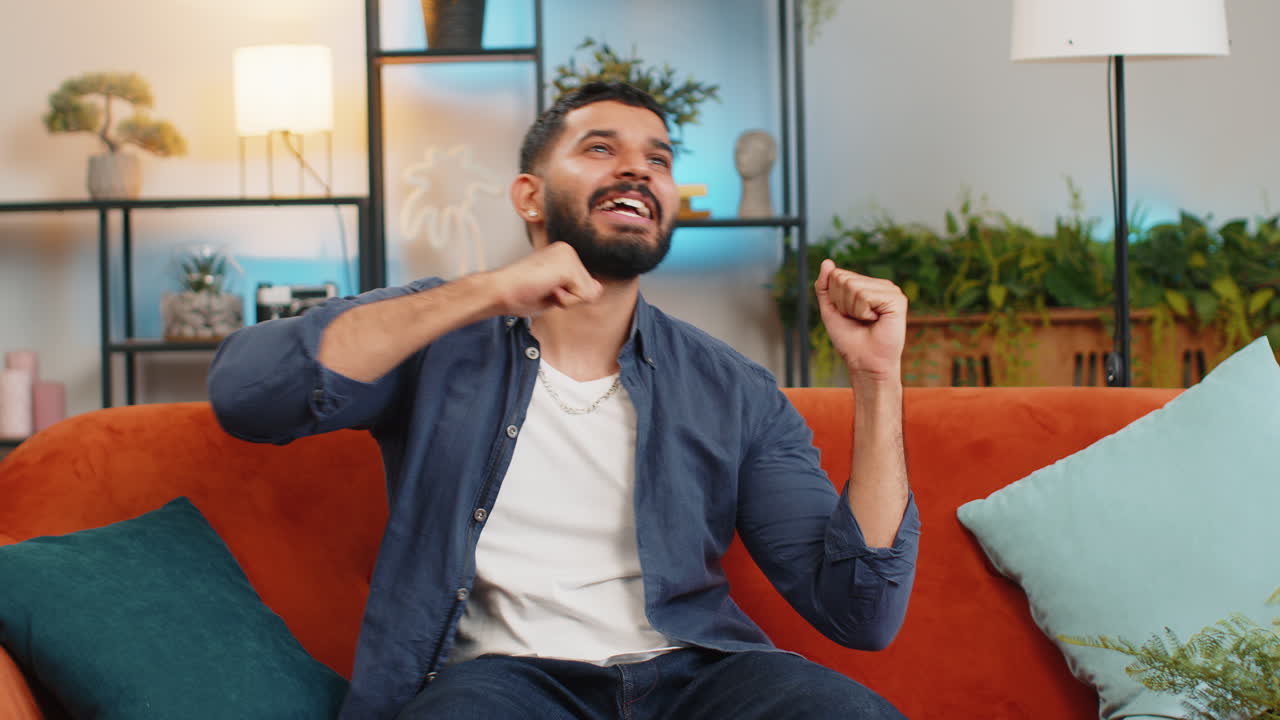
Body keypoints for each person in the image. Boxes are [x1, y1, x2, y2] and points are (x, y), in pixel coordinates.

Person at [208, 81, 920, 720]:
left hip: (699, 680)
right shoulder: (442, 332)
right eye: (600, 148)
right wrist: (490, 290)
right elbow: (247, 395)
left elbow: (860, 610)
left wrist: (877, 378)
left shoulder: (733, 389)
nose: (638, 168)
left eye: (660, 159)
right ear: (529, 196)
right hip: (502, 685)